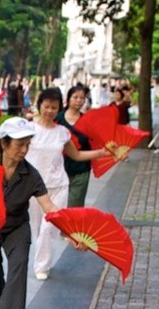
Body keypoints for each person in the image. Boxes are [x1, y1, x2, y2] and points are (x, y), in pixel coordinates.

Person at [0, 117, 86, 309]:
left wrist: (70, 233)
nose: (24, 150)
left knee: (20, 262)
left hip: (16, 225)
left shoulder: (31, 174)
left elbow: (49, 207)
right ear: (4, 144)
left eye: (27, 144)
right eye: (19, 145)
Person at [26, 87, 107, 280]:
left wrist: (101, 153)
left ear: (58, 108)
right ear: (40, 106)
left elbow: (76, 155)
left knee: (49, 227)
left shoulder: (62, 132)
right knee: (36, 228)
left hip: (58, 185)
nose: (50, 111)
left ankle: (42, 266)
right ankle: (42, 258)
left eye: (54, 107)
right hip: (34, 188)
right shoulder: (29, 129)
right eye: (47, 106)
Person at [57, 84, 93, 207]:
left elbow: (94, 142)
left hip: (81, 169)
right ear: (68, 99)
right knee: (58, 206)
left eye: (82, 98)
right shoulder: (58, 119)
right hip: (59, 170)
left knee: (74, 206)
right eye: (75, 97)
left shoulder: (87, 121)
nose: (79, 100)